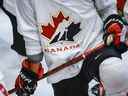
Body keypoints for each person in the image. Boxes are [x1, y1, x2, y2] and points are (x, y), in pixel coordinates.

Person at [15, 0, 128, 96]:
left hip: (93, 42)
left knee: (115, 73)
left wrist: (111, 19)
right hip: (60, 60)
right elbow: (30, 31)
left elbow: (105, 5)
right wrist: (31, 71)